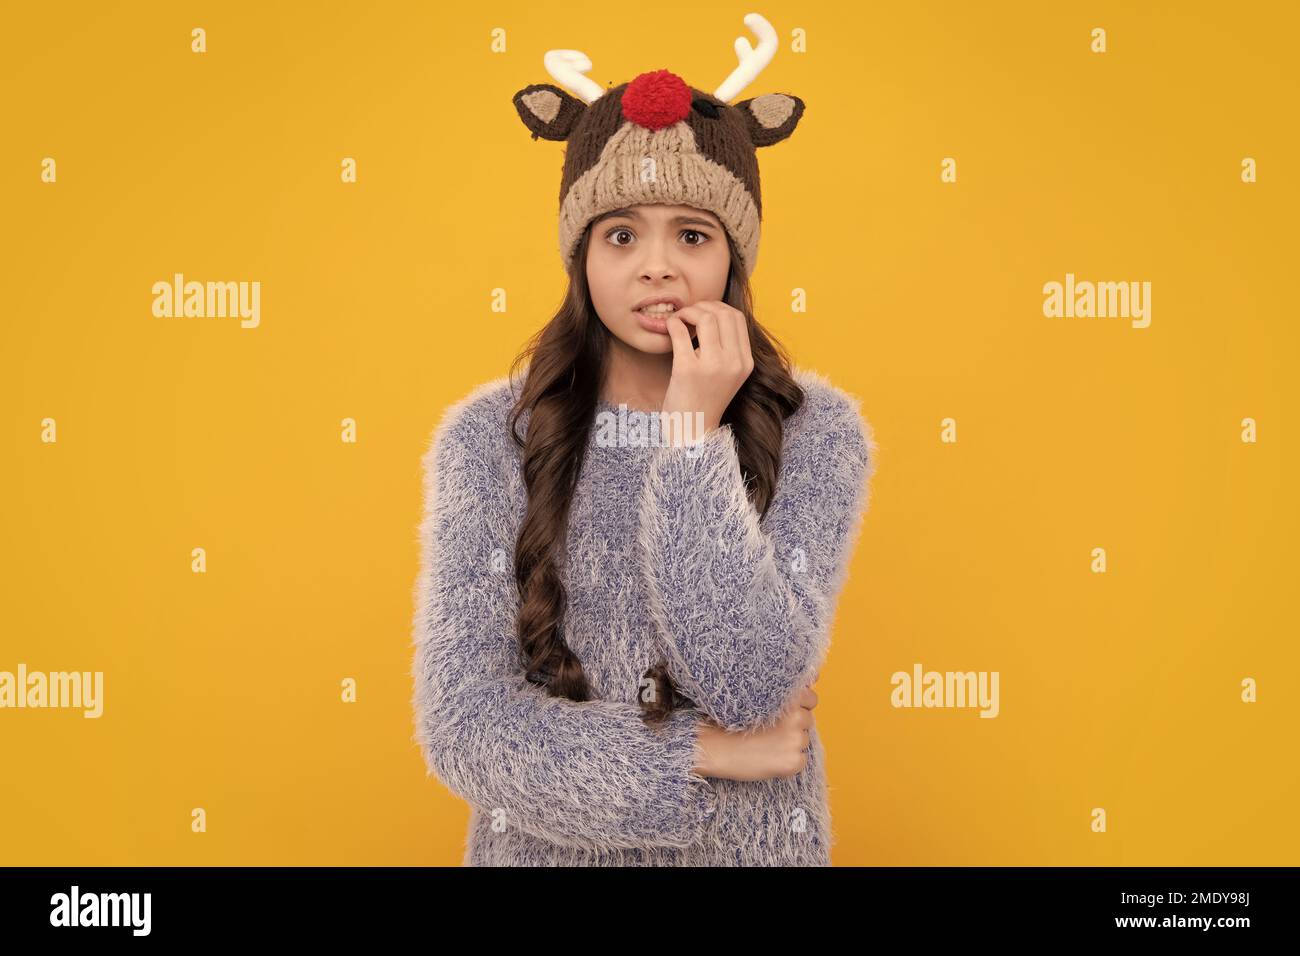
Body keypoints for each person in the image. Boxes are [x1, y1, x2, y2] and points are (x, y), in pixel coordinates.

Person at [410, 16, 877, 865]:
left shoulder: (818, 434)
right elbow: (466, 724)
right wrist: (708, 753)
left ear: (733, 256)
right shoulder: (489, 440)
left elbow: (750, 679)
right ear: (581, 257)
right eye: (621, 235)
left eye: (691, 235)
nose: (656, 267)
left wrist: (693, 432)